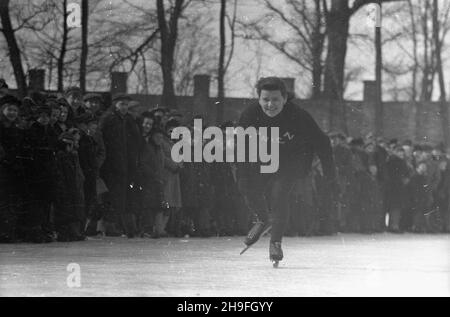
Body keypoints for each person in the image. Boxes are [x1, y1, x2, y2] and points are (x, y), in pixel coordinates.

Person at [237, 77, 336, 265]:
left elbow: (323, 143)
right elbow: (240, 146)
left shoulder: (298, 115)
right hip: (264, 158)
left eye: (275, 100)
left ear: (284, 99)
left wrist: (331, 177)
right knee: (247, 187)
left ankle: (275, 242)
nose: (270, 105)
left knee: (279, 194)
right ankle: (262, 218)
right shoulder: (250, 114)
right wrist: (242, 176)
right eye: (265, 99)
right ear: (258, 99)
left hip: (293, 160)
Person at [98, 93, 140, 237]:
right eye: (122, 104)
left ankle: (117, 226)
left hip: (123, 164)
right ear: (115, 104)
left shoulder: (125, 120)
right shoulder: (108, 119)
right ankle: (108, 226)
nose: (124, 107)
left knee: (121, 197)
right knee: (111, 197)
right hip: (111, 165)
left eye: (126, 105)